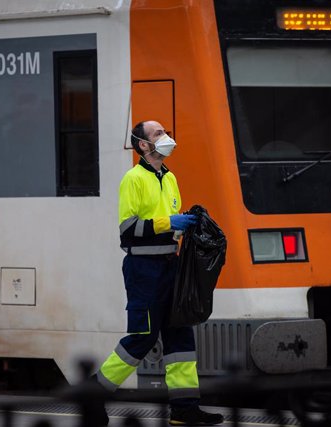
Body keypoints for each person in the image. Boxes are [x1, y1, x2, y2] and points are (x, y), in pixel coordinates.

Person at [94, 120, 224, 425]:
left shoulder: (171, 178)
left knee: (180, 337)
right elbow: (128, 231)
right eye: (158, 134)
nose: (166, 138)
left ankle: (185, 408)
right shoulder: (133, 179)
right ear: (143, 144)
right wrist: (170, 223)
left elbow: (170, 224)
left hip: (170, 267)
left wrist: (190, 225)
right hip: (144, 270)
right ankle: (94, 391)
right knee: (142, 337)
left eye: (165, 132)